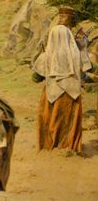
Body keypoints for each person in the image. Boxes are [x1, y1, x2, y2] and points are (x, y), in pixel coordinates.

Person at [31, 23, 92, 152]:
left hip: (52, 96)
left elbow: (35, 78)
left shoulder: (46, 56)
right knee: (70, 123)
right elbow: (84, 75)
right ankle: (70, 147)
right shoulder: (77, 55)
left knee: (49, 120)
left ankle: (49, 147)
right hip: (72, 97)